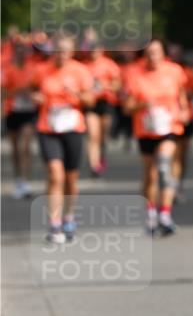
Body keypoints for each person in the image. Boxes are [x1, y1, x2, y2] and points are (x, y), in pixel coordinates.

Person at [33, 32, 95, 242]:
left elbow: (90, 101)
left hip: (72, 128)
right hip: (48, 128)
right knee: (54, 174)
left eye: (66, 51)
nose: (62, 55)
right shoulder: (42, 70)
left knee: (70, 179)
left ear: (72, 52)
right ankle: (54, 223)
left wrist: (76, 93)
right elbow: (33, 88)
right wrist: (36, 97)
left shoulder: (80, 71)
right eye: (59, 51)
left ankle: (69, 216)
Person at [124, 38, 189, 236]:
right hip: (146, 129)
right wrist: (142, 105)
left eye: (157, 52)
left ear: (163, 53)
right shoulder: (135, 74)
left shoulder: (174, 71)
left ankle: (165, 214)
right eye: (149, 53)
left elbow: (182, 95)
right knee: (150, 174)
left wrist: (185, 111)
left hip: (169, 126)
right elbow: (127, 107)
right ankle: (151, 213)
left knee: (164, 166)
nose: (153, 56)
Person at [80, 29, 121, 177]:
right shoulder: (83, 66)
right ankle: (94, 165)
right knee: (93, 134)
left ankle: (101, 154)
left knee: (102, 136)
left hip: (106, 102)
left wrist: (105, 85)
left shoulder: (109, 65)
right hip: (90, 103)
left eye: (96, 49)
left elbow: (118, 85)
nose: (93, 52)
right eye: (91, 49)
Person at [2, 36, 38, 199]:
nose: (23, 53)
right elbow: (3, 93)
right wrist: (18, 92)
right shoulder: (8, 70)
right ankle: (18, 179)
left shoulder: (33, 69)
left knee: (25, 146)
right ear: (15, 52)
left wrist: (32, 93)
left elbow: (39, 88)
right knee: (16, 148)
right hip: (13, 111)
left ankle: (25, 181)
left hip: (29, 111)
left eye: (25, 50)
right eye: (19, 50)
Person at [167, 42, 193, 202]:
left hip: (187, 116)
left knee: (181, 155)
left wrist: (183, 93)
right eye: (172, 53)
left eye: (177, 53)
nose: (174, 56)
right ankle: (170, 185)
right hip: (169, 118)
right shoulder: (164, 72)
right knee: (172, 154)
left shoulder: (188, 72)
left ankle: (178, 183)